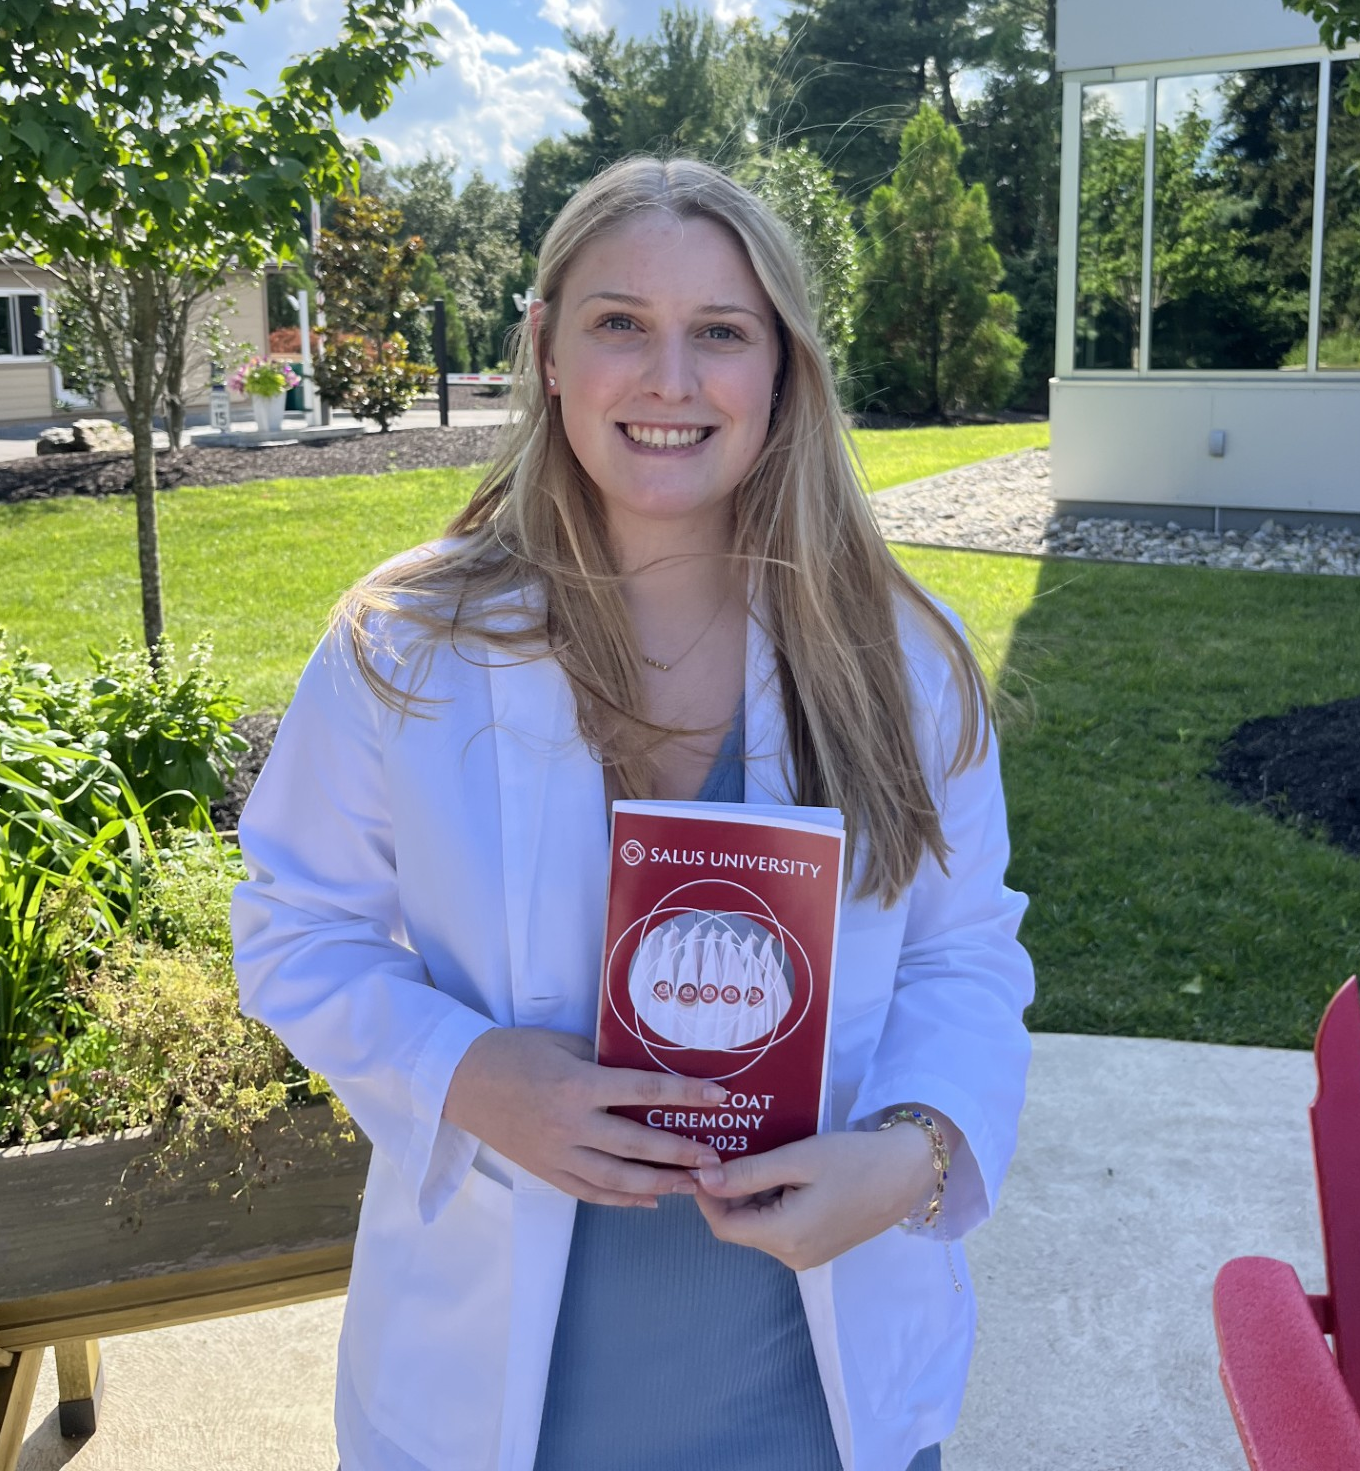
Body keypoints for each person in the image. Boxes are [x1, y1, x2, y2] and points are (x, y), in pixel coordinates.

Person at [231, 157, 1034, 1471]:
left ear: (782, 369)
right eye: (621, 324)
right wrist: (468, 1075)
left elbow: (966, 954)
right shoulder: (408, 643)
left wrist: (916, 1156)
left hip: (817, 1409)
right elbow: (293, 928)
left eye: (720, 332)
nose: (670, 380)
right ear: (546, 350)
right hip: (494, 1406)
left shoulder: (902, 658)